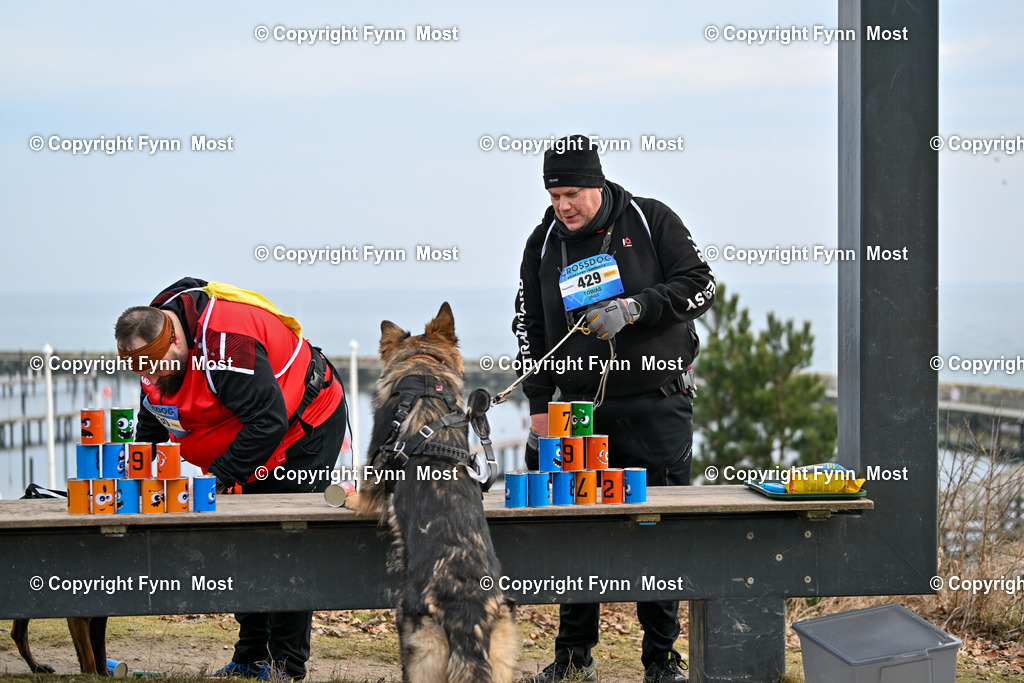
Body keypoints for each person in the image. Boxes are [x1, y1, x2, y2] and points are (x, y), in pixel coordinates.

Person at [513, 135, 715, 683]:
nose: (563, 206)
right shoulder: (543, 243)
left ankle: (661, 661)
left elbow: (701, 286)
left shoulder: (651, 221)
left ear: (597, 184)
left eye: (572, 193)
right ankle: (574, 660)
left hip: (655, 405)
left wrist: (636, 307)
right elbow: (529, 328)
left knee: (657, 530)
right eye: (554, 195)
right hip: (576, 408)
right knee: (577, 532)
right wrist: (536, 405)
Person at [114, 277, 347, 682]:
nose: (149, 376)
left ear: (174, 343)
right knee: (244, 539)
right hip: (249, 434)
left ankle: (285, 666)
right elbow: (153, 409)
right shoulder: (152, 344)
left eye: (154, 367)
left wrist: (222, 477)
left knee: (284, 539)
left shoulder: (227, 345)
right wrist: (140, 467)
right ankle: (250, 655)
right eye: (139, 369)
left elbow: (268, 421)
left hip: (302, 426)